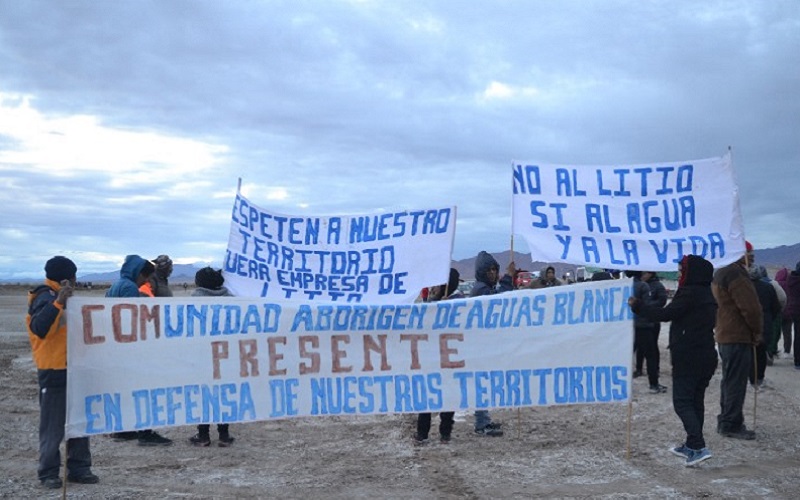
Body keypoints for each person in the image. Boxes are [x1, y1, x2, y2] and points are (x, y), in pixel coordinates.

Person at [628, 255, 718, 466]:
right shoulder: (707, 293)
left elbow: (665, 314)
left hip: (689, 356)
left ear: (692, 272)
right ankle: (691, 444)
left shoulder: (689, 293)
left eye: (681, 270)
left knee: (682, 402)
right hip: (705, 355)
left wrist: (639, 307)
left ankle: (697, 446)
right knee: (695, 401)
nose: (678, 274)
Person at [27, 256, 99, 488]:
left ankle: (79, 467)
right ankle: (48, 472)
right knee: (53, 424)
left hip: (74, 368)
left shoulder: (67, 298)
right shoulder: (45, 297)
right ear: (68, 277)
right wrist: (58, 303)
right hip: (54, 369)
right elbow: (39, 328)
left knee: (79, 420)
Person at [107, 255, 173, 446]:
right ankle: (145, 433)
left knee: (126, 387)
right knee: (143, 386)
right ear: (138, 273)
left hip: (119, 346)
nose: (145, 281)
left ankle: (123, 429)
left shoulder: (117, 285)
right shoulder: (129, 288)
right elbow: (134, 317)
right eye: (145, 276)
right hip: (131, 346)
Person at [712, 242, 762, 440]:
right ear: (740, 253)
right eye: (750, 253)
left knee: (729, 380)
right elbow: (751, 308)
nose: (753, 257)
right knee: (735, 382)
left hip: (726, 333)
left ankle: (726, 419)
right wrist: (757, 332)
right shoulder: (736, 274)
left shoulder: (721, 272)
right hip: (737, 334)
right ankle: (731, 424)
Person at [469, 251, 515, 436]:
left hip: (483, 344)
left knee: (484, 384)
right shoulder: (480, 289)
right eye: (490, 271)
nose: (494, 274)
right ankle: (481, 425)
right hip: (479, 346)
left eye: (495, 270)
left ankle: (484, 420)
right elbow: (498, 302)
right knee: (481, 384)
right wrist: (508, 279)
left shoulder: (482, 287)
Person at [188, 267, 236, 447]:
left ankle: (203, 435)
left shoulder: (194, 301)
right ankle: (224, 435)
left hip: (202, 357)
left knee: (204, 394)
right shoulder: (232, 300)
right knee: (224, 394)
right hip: (226, 355)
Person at [415, 268, 463, 444]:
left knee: (449, 397)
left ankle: (445, 432)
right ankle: (422, 433)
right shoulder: (431, 302)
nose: (434, 287)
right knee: (427, 396)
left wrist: (448, 309)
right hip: (431, 358)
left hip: (450, 359)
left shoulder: (459, 302)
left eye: (438, 283)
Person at [627, 271, 665, 394]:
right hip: (644, 324)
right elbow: (647, 306)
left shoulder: (625, 285)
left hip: (628, 325)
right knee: (651, 355)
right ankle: (653, 384)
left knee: (628, 353)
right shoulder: (643, 286)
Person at [748, 265, 780, 387]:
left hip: (748, 322)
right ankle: (759, 377)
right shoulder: (768, 287)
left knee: (750, 351)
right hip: (765, 321)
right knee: (761, 351)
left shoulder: (745, 288)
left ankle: (751, 377)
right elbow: (776, 306)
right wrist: (770, 317)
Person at [634, 272, 668, 378]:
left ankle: (654, 370)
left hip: (652, 320)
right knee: (639, 346)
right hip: (639, 320)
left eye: (646, 273)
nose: (644, 275)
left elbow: (662, 301)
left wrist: (647, 306)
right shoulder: (638, 284)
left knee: (652, 347)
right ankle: (639, 368)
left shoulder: (658, 285)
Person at [781, 263, 800, 369]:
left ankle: (797, 360)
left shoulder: (791, 280)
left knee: (797, 335)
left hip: (793, 310)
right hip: (796, 310)